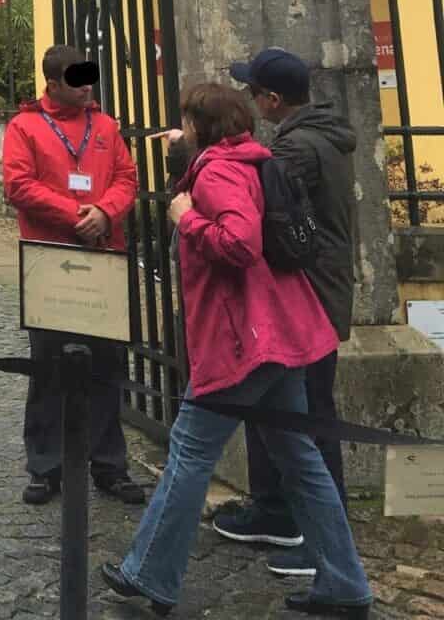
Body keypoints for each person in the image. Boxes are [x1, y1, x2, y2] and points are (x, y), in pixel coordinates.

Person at [102, 80, 371, 619]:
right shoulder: (255, 159)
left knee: (190, 451)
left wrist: (188, 219)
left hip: (243, 341)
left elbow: (241, 243)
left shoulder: (219, 171)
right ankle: (344, 583)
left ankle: (149, 572)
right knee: (300, 458)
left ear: (202, 125)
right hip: (282, 331)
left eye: (186, 121)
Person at [207, 49, 358, 580]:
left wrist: (197, 157)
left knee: (309, 416)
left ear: (272, 101)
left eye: (253, 93)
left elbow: (254, 199)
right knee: (277, 405)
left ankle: (319, 537)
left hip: (309, 295)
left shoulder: (296, 147)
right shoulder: (320, 135)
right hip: (318, 288)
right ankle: (274, 508)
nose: (249, 100)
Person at [1, 44, 144, 506]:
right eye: (78, 82)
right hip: (50, 261)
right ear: (53, 84)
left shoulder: (104, 126)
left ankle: (108, 463)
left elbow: (127, 177)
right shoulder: (24, 128)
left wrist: (105, 211)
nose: (87, 89)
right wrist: (75, 215)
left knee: (106, 364)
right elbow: (18, 185)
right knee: (49, 368)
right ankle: (46, 465)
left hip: (103, 258)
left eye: (90, 81)